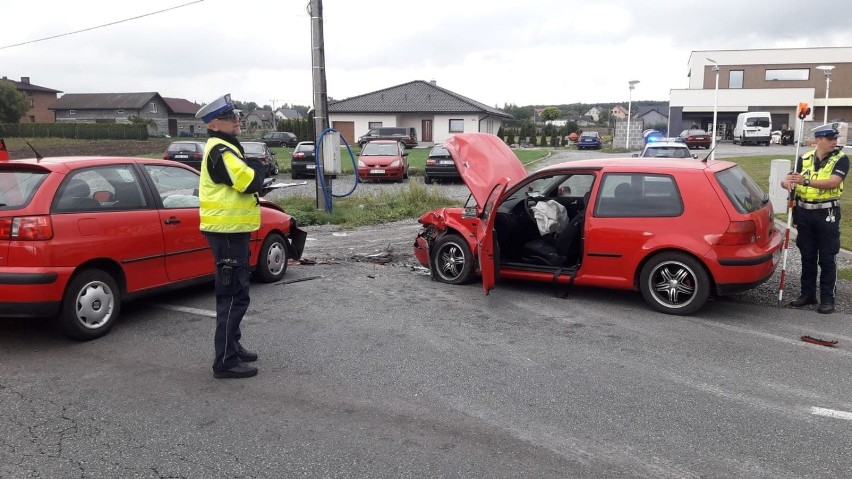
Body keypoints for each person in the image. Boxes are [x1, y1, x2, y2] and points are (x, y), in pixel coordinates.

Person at [196, 94, 266, 378]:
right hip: (226, 233)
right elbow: (249, 181)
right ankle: (225, 360)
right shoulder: (221, 151)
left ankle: (232, 346)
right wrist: (259, 168)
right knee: (233, 295)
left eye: (236, 115)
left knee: (237, 291)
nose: (237, 120)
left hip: (231, 232)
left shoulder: (224, 147)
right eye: (230, 118)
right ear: (214, 124)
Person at [781, 124, 849, 314]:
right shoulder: (805, 158)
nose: (834, 142)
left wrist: (806, 181)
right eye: (830, 139)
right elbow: (788, 178)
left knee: (827, 257)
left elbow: (834, 182)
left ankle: (828, 299)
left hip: (827, 213)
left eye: (835, 139)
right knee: (807, 256)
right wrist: (786, 182)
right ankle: (807, 294)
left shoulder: (841, 159)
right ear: (818, 140)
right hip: (804, 212)